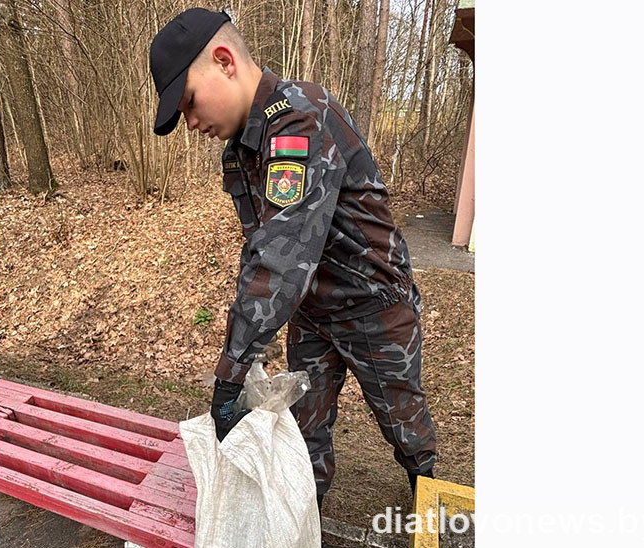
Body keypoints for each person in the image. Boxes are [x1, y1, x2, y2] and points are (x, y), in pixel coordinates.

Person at [149, 7, 437, 515]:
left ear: (224, 61)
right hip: (311, 309)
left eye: (189, 102)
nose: (191, 123)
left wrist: (232, 370)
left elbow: (282, 259)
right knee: (304, 430)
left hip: (372, 303)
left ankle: (426, 486)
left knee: (402, 419)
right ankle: (305, 514)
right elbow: (260, 250)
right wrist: (243, 355)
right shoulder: (241, 150)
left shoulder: (299, 120)